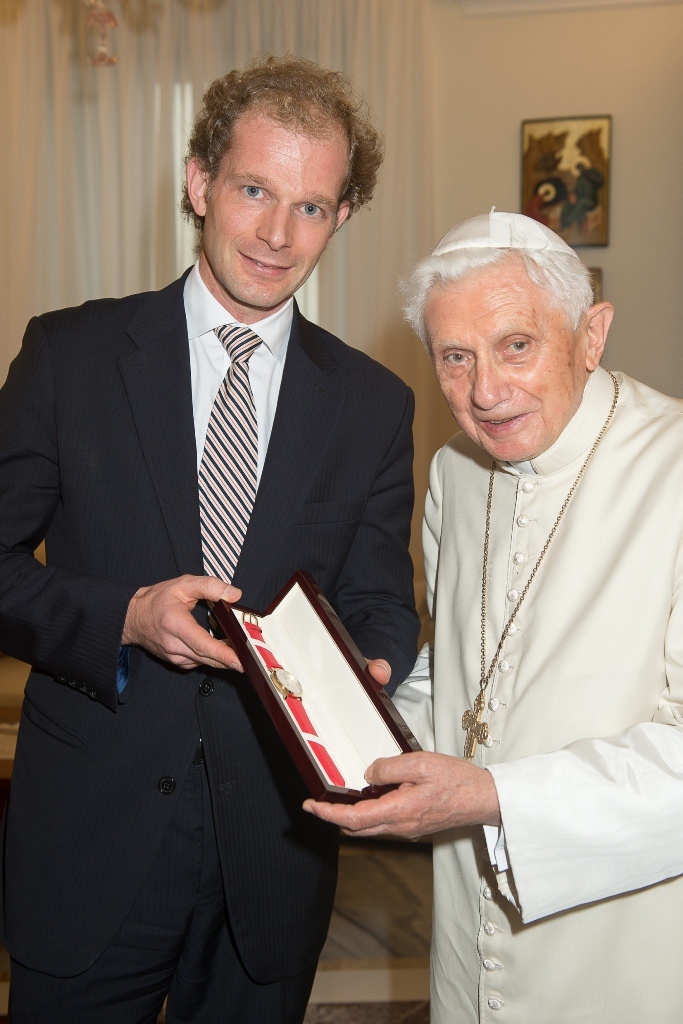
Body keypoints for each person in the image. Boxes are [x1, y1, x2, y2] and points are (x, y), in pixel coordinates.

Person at [0, 56, 420, 1024]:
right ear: (198, 182)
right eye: (253, 190)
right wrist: (125, 616)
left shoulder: (371, 403)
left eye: (311, 206)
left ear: (342, 217)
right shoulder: (69, 356)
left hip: (274, 851)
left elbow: (377, 600)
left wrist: (367, 665)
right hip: (89, 842)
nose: (278, 234)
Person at [305, 210, 683, 1024]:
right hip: (466, 926)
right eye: (454, 357)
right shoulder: (454, 472)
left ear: (592, 334)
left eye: (517, 345)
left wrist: (492, 799)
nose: (484, 391)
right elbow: (464, 664)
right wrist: (358, 736)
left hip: (628, 943)